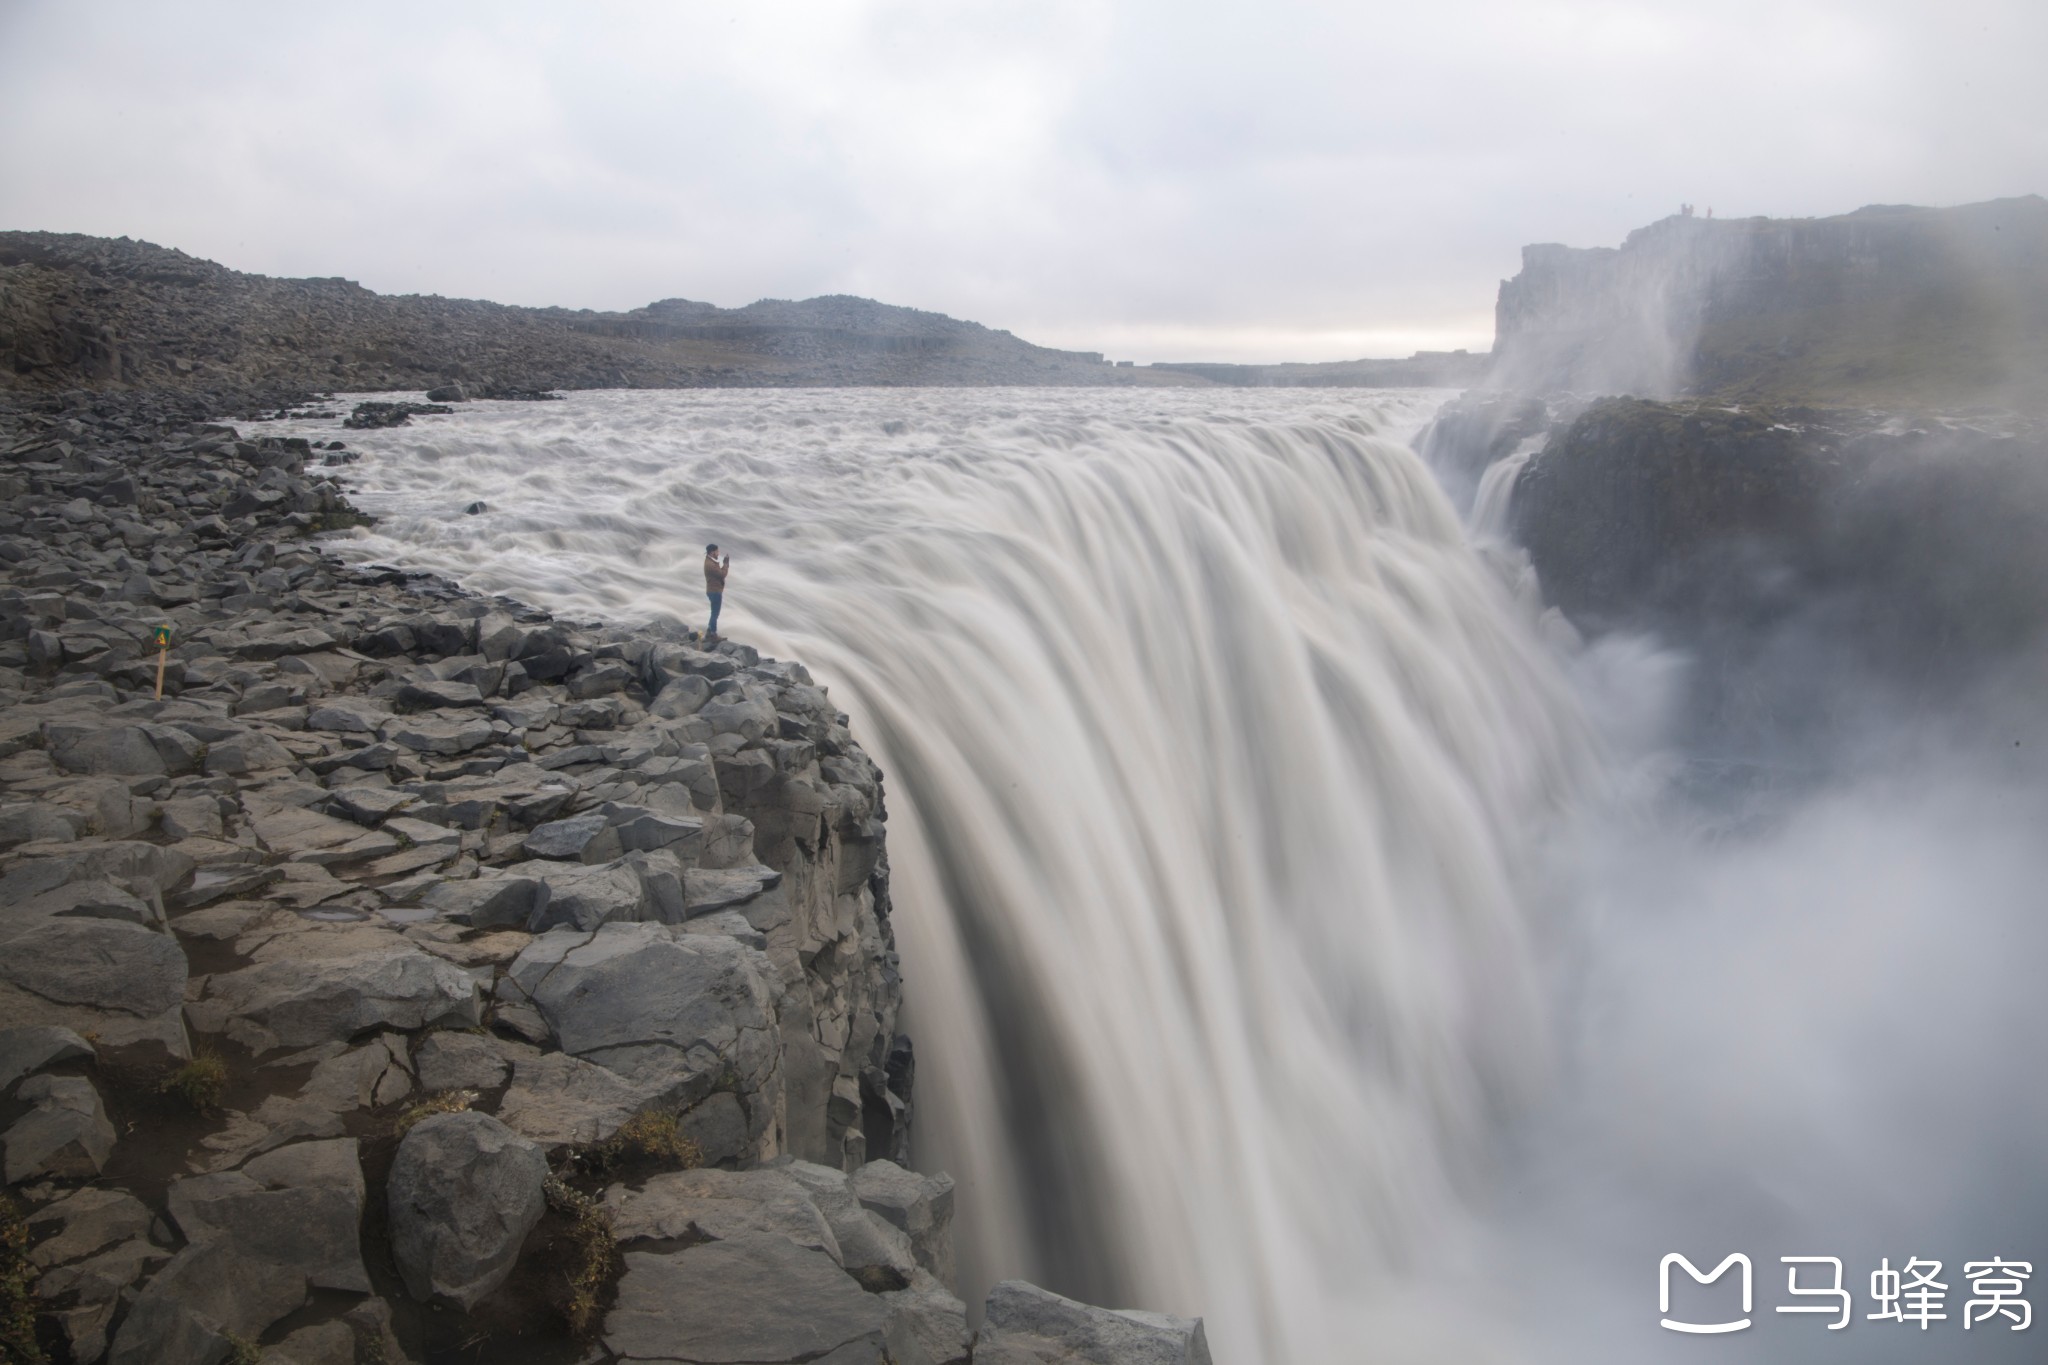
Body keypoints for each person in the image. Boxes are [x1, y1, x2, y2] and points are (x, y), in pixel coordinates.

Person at [703, 543, 730, 640]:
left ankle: (709, 632)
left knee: (714, 613)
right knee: (715, 613)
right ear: (712, 552)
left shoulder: (710, 562)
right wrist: (726, 564)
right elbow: (722, 574)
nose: (718, 553)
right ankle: (713, 634)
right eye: (717, 551)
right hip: (714, 591)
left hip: (713, 590)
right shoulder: (710, 565)